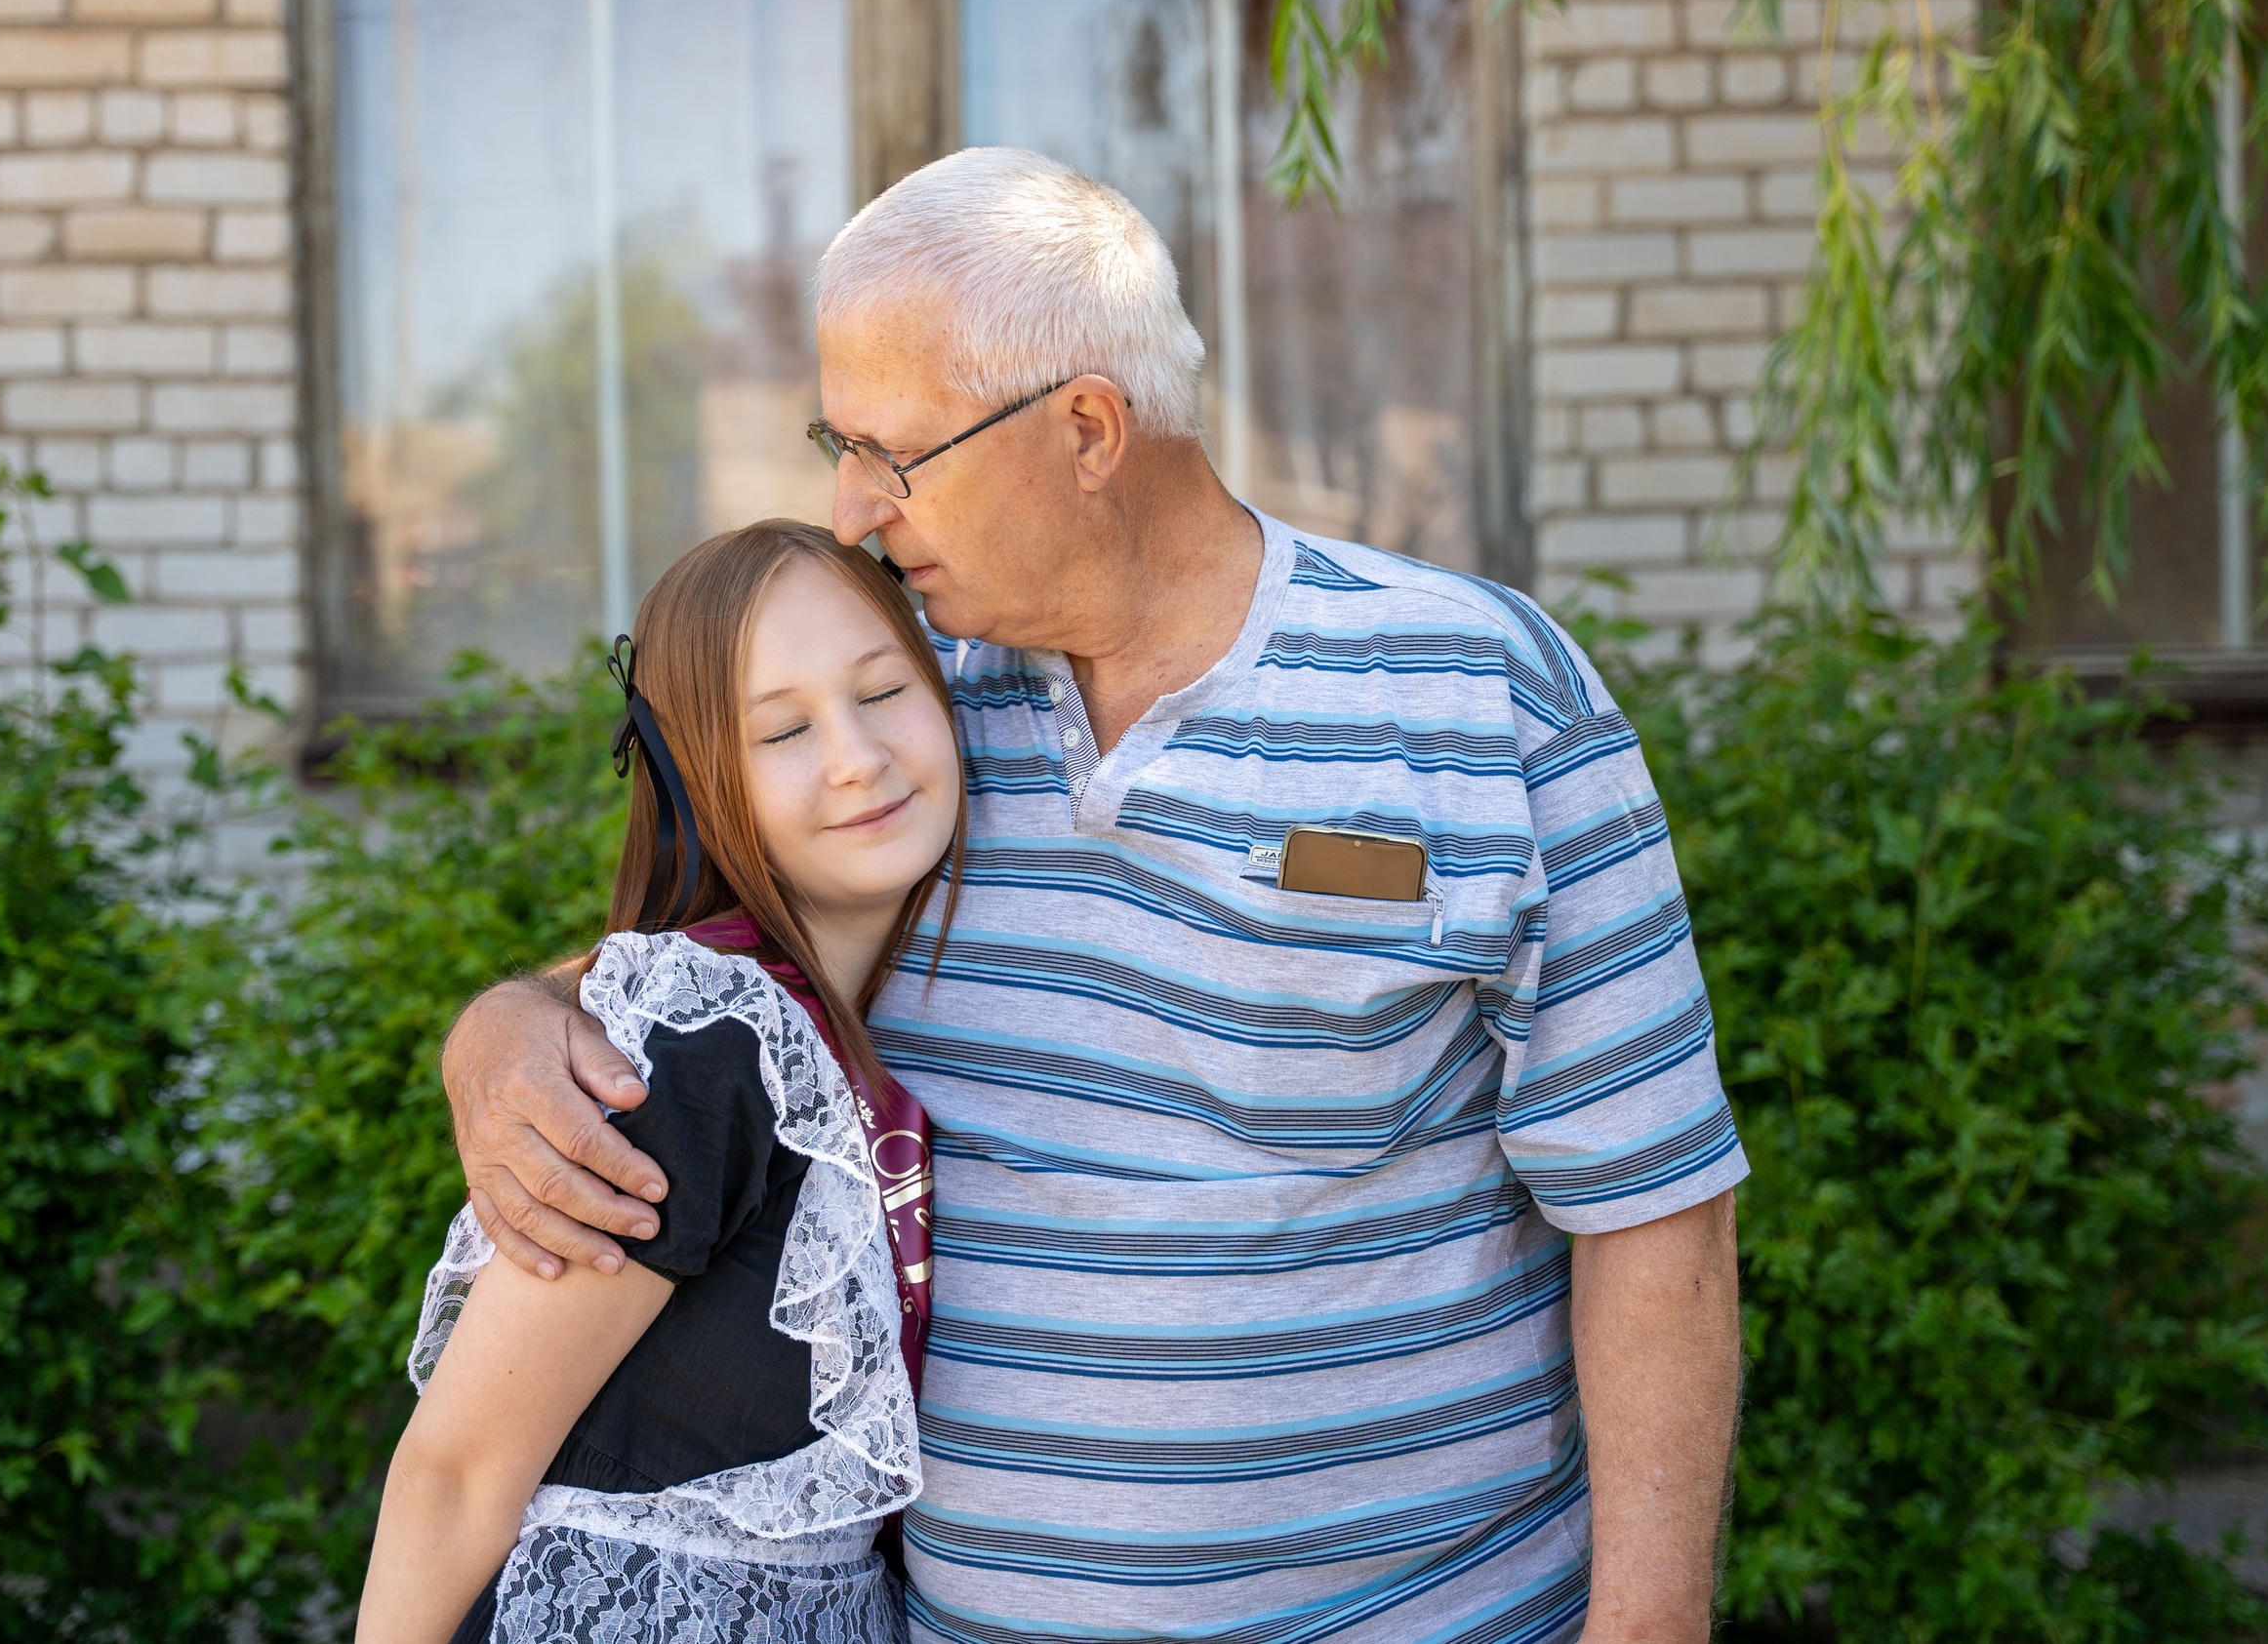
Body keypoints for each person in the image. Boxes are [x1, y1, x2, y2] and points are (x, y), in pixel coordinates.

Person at [442, 148, 1748, 1644]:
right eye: (835, 441)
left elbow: (1657, 1217)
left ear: (1083, 428)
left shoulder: (1478, 695)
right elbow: (718, 960)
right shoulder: (912, 719)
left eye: (891, 451)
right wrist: (504, 1029)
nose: (852, 508)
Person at [359, 521, 964, 1644]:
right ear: (699, 782)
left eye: (883, 692)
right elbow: (456, 1470)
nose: (856, 757)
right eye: (783, 728)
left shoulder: (863, 1014)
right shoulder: (705, 1053)